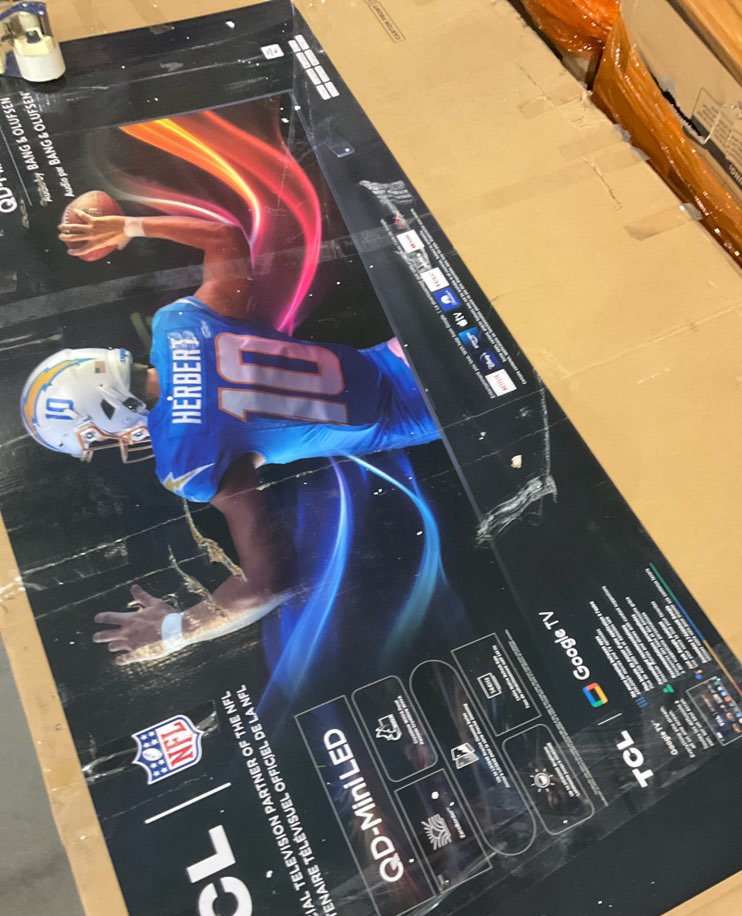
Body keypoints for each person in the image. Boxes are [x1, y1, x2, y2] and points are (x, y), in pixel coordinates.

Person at [20, 207, 440, 663]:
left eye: (97, 434)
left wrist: (175, 630)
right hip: (402, 347)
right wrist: (127, 226)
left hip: (427, 407)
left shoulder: (187, 458)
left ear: (108, 406)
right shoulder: (178, 322)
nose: (112, 441)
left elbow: (270, 582)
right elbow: (223, 237)